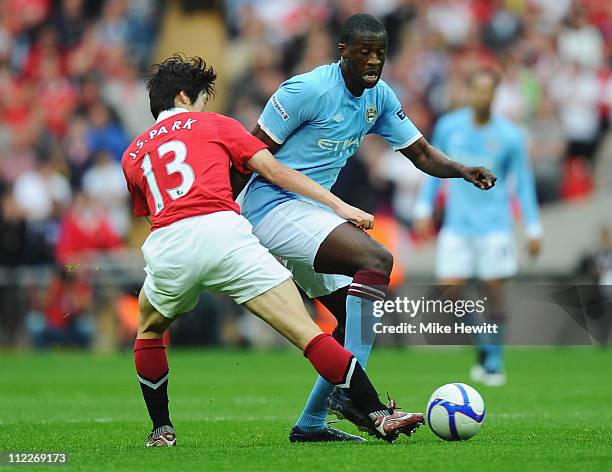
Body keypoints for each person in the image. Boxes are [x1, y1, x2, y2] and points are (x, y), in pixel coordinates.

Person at [121, 54, 425, 448]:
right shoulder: (217, 124)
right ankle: (377, 413)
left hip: (168, 241)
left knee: (149, 330)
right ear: (184, 97)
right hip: (224, 233)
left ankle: (162, 430)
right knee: (307, 334)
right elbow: (276, 171)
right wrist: (339, 206)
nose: (201, 107)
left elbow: (150, 211)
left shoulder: (132, 153)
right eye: (199, 98)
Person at [234, 13, 496, 442]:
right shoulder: (306, 90)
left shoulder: (380, 98)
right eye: (365, 52)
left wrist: (462, 169)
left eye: (381, 53)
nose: (374, 61)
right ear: (344, 53)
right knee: (377, 258)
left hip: (312, 216)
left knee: (351, 326)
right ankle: (366, 404)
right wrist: (220, 212)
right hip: (271, 208)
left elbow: (422, 154)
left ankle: (313, 424)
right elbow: (249, 154)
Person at [414, 68, 542, 386]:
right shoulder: (449, 127)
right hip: (457, 226)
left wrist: (533, 228)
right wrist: (423, 208)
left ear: (495, 94)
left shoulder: (510, 136)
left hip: (494, 227)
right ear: (468, 92)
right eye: (477, 89)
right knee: (450, 289)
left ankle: (495, 361)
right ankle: (484, 345)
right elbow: (434, 168)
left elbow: (522, 183)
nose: (482, 96)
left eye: (488, 90)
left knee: (494, 292)